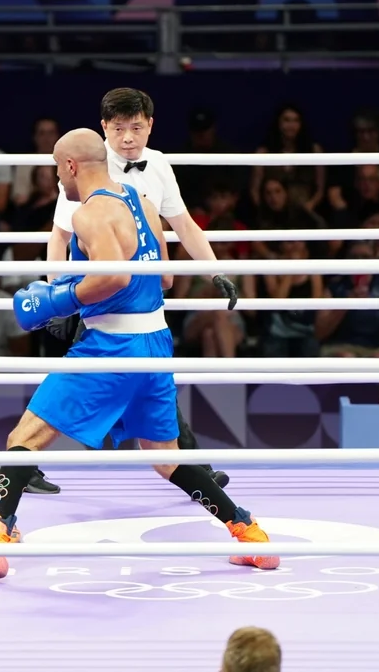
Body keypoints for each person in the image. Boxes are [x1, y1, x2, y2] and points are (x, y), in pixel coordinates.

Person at [0, 129, 276, 582]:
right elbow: (166, 279)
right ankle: (250, 534)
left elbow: (113, 278)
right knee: (166, 455)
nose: (59, 179)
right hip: (155, 343)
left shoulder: (90, 213)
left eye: (58, 169)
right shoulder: (142, 202)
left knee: (25, 435)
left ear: (71, 166)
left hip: (111, 346)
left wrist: (58, 300)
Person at [34, 87, 237, 494]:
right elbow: (60, 235)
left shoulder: (158, 164)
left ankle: (196, 469)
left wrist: (216, 272)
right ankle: (23, 462)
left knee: (153, 382)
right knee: (73, 380)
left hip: (143, 294)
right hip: (97, 292)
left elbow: (184, 225)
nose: (128, 138)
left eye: (137, 128)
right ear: (104, 127)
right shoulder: (87, 165)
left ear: (151, 126)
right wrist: (58, 294)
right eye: (119, 129)